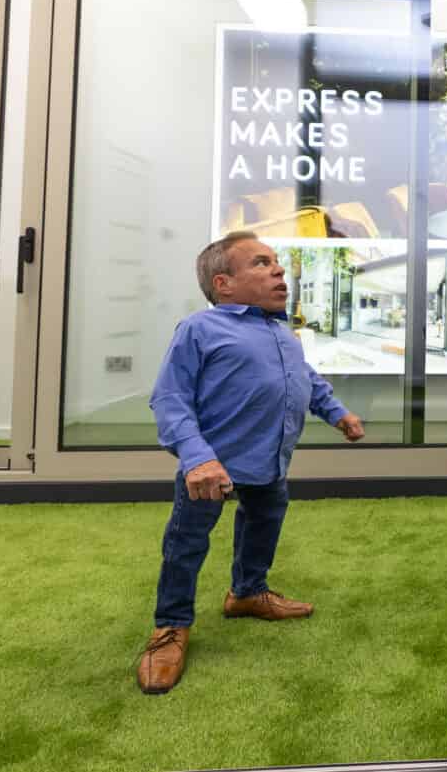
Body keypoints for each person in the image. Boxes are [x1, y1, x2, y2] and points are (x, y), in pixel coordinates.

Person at [135, 231, 366, 694]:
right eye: (261, 263)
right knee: (186, 543)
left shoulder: (282, 332)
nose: (278, 270)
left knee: (264, 524)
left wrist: (336, 411)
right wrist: (197, 458)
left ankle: (247, 593)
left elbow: (306, 378)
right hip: (212, 467)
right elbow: (170, 398)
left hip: (270, 461)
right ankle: (170, 626)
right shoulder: (200, 329)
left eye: (276, 261)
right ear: (223, 284)